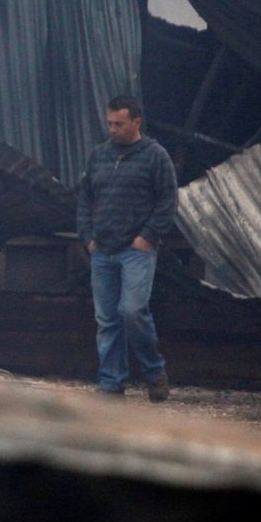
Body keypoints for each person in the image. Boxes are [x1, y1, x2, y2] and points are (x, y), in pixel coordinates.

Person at [76, 95, 176, 401]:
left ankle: (154, 372)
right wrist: (87, 236)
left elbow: (168, 200)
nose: (112, 129)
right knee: (107, 319)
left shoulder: (155, 156)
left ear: (136, 122)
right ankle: (111, 384)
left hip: (136, 249)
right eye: (109, 123)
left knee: (132, 311)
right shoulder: (99, 155)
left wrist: (148, 236)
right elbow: (85, 197)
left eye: (119, 124)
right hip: (102, 248)